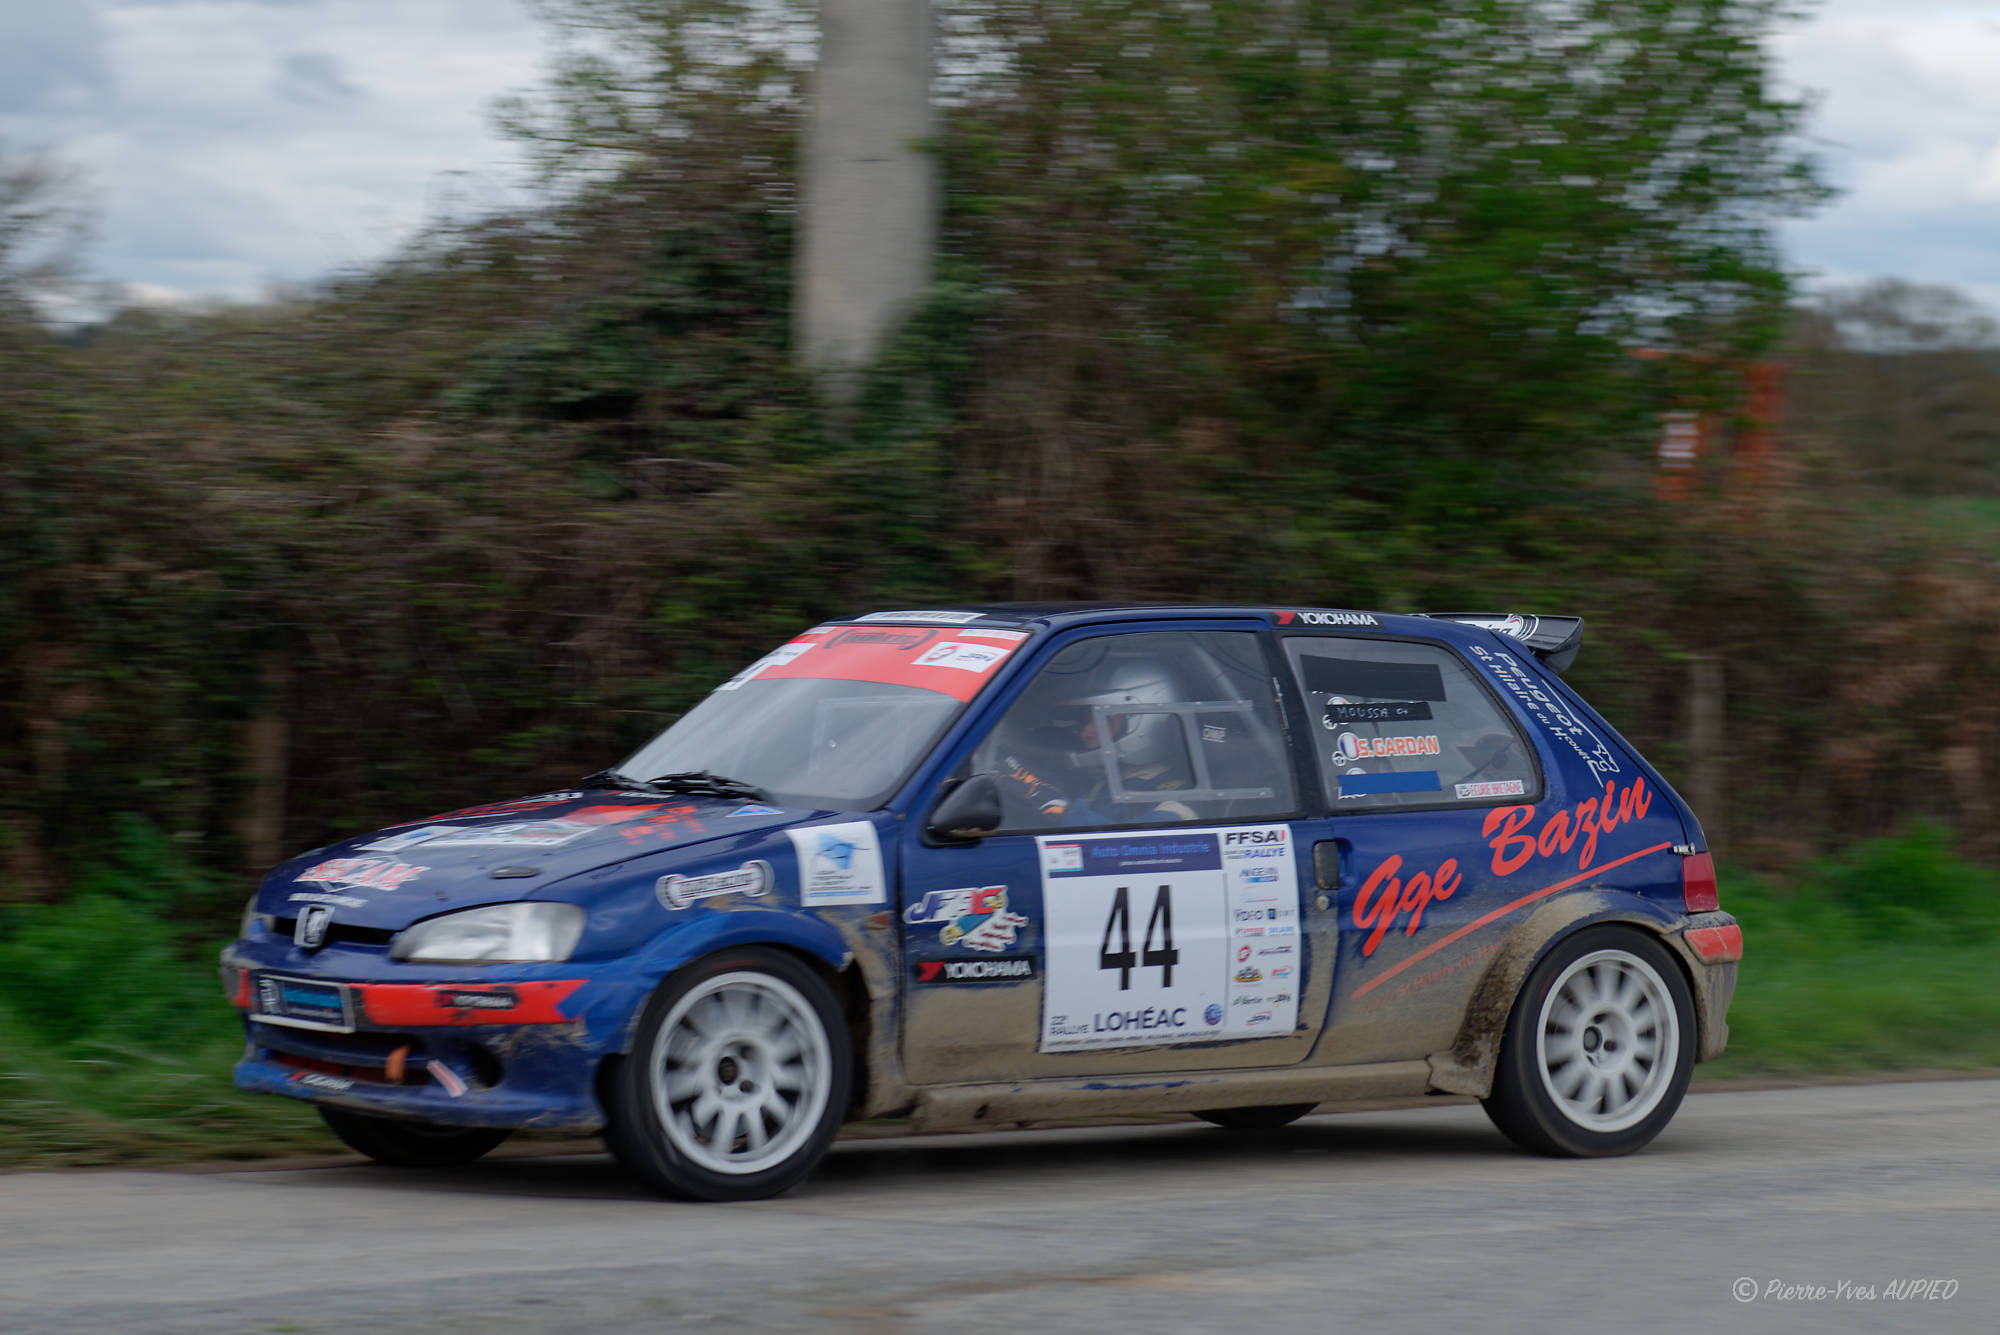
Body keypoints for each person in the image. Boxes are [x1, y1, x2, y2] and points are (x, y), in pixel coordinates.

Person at [984, 646, 1198, 827]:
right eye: (1087, 719)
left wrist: (1061, 809)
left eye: (1104, 720)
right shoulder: (1111, 775)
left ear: (1145, 722)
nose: (1086, 731)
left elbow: (1122, 848)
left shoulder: (1177, 796)